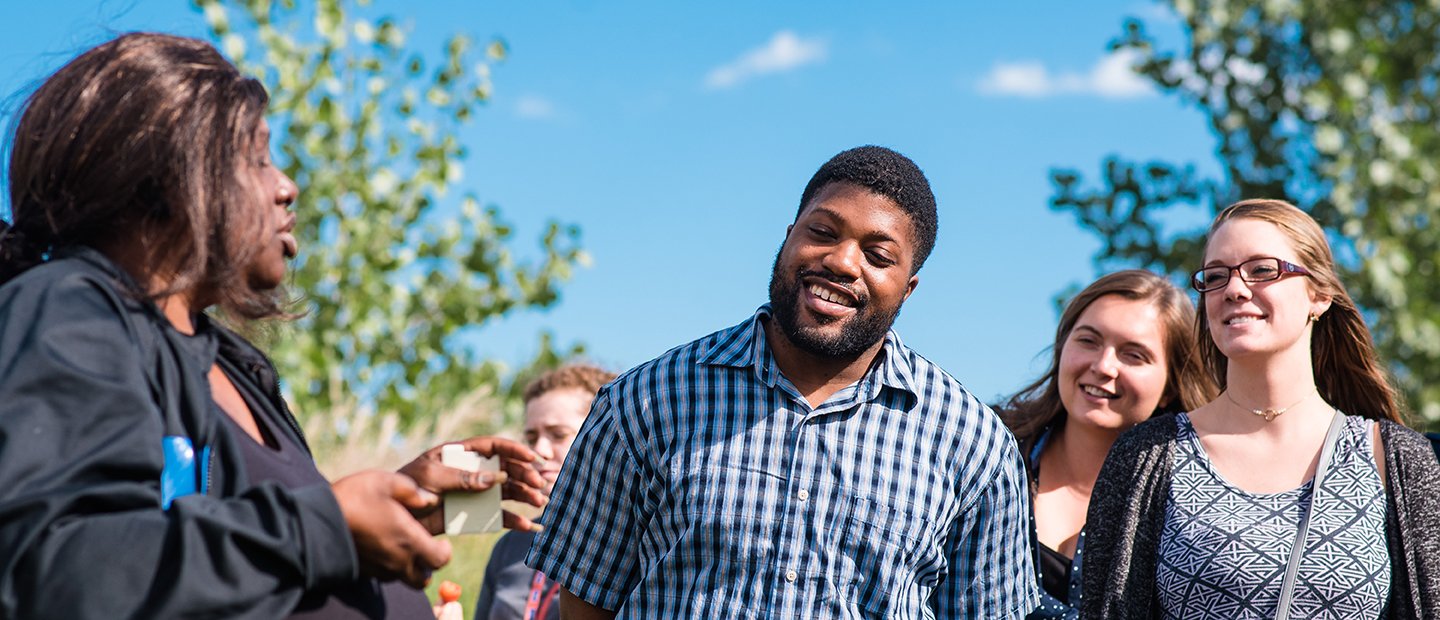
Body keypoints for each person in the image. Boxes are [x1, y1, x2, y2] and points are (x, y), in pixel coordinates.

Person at [0, 32, 545, 619]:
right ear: (162, 174)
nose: (287, 186)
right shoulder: (70, 310)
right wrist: (325, 527)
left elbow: (261, 557)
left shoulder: (232, 365)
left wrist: (400, 509)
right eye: (257, 158)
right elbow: (57, 573)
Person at [526, 146, 1040, 618]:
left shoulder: (975, 446)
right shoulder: (643, 403)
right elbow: (583, 603)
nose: (841, 261)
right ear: (788, 235)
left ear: (907, 289)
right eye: (822, 232)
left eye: (878, 255)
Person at [1080, 199, 1440, 619]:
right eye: (1216, 276)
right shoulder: (1145, 456)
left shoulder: (1399, 460)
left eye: (1262, 270)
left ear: (1319, 294)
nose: (1234, 289)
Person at [1000, 270, 1215, 619]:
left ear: (1171, 387)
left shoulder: (1190, 503)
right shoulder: (989, 450)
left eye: (1134, 355)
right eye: (1088, 340)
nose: (1103, 366)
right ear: (1063, 346)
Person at [473, 364, 617, 620]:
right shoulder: (510, 545)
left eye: (558, 435)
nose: (539, 450)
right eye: (531, 438)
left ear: (604, 434)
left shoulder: (633, 542)